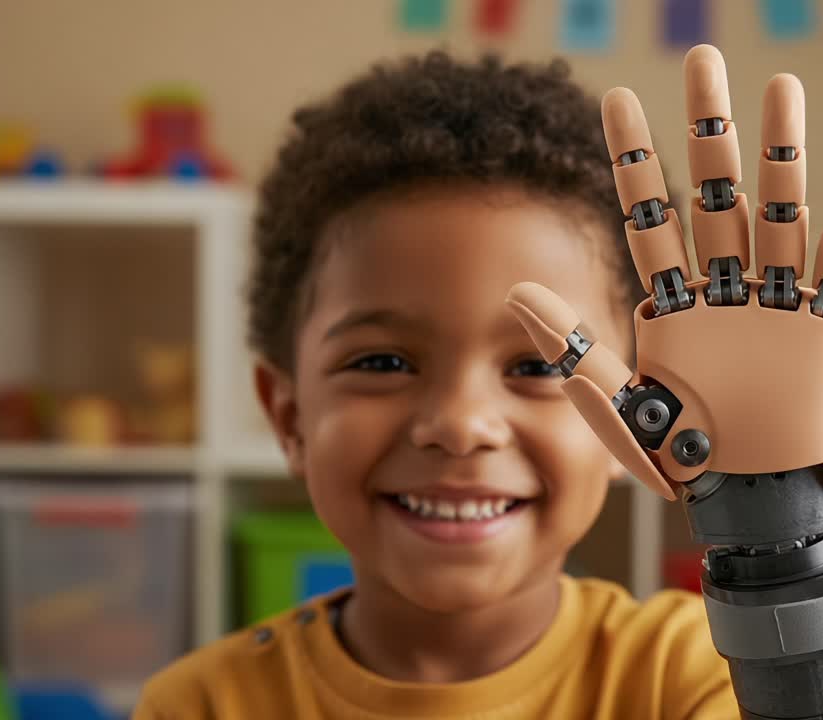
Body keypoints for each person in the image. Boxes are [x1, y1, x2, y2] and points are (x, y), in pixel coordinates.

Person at [133, 50, 738, 719]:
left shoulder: (701, 676)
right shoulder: (199, 706)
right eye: (384, 364)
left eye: (539, 366)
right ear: (289, 416)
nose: (459, 423)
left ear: (637, 415)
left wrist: (799, 573)